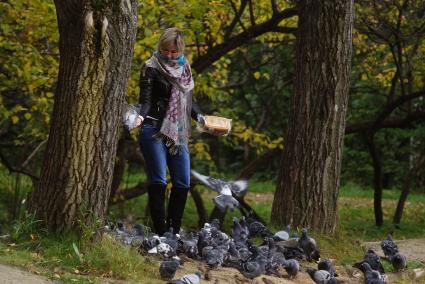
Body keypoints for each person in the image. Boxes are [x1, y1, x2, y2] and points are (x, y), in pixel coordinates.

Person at [134, 27, 209, 235]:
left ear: (181, 50)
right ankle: (160, 234)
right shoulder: (150, 66)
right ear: (160, 47)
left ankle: (173, 232)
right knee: (158, 180)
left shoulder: (186, 70)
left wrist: (202, 119)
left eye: (173, 52)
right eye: (165, 50)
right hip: (153, 128)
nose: (168, 55)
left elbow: (189, 103)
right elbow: (146, 100)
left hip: (178, 132)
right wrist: (139, 117)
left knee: (183, 182)